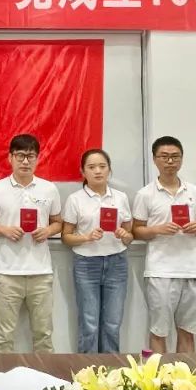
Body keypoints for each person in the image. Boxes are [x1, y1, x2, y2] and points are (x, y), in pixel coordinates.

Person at [0, 134, 62, 353]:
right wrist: (4, 230)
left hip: (41, 272)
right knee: (3, 336)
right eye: (20, 156)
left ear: (37, 158)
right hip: (7, 273)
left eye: (30, 156)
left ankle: (45, 375)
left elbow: (58, 223)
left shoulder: (49, 189)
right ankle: (2, 375)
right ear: (10, 157)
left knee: (44, 335)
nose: (25, 161)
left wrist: (48, 231)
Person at [131, 136, 196, 355]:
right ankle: (157, 376)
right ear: (154, 159)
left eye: (175, 156)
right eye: (164, 157)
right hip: (160, 270)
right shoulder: (145, 194)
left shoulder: (194, 192)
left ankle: (186, 375)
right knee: (159, 331)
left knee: (188, 332)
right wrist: (158, 229)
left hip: (193, 270)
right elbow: (137, 230)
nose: (170, 161)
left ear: (182, 159)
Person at [61, 148, 134, 353]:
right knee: (89, 323)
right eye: (92, 167)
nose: (98, 171)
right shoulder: (75, 199)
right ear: (83, 171)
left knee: (113, 323)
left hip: (116, 262)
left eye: (102, 166)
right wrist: (86, 237)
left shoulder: (120, 197)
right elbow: (66, 237)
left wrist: (124, 234)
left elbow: (130, 235)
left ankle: (111, 369)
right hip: (86, 264)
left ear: (109, 169)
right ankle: (88, 369)